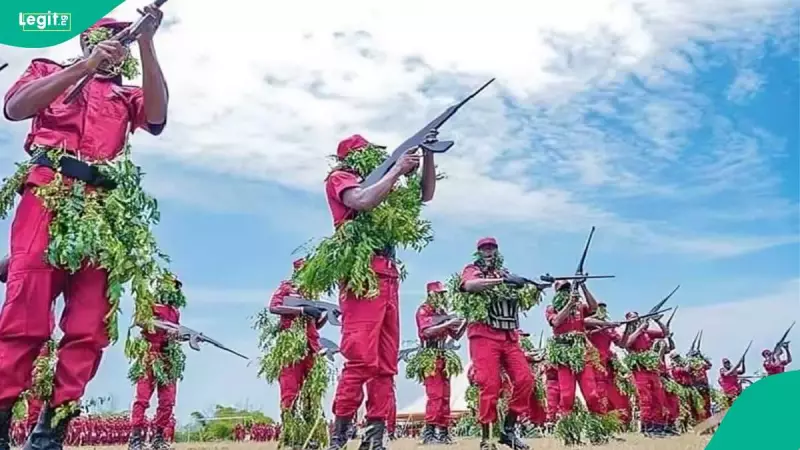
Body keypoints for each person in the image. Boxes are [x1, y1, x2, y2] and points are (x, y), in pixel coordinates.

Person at [0, 7, 168, 450]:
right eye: (102, 38)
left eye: (121, 42)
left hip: (103, 211)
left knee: (90, 326)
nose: (113, 46)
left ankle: (51, 431)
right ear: (84, 41)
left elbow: (156, 118)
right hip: (47, 196)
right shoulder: (47, 70)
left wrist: (148, 41)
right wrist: (85, 67)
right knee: (26, 316)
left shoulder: (126, 95)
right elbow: (16, 108)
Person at [301, 133, 436, 450]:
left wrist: (428, 155)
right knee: (360, 358)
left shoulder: (384, 182)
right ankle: (341, 434)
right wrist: (396, 171)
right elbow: (360, 201)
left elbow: (425, 195)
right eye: (366, 153)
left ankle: (374, 438)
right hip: (363, 276)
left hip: (389, 275)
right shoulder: (341, 178)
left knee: (386, 363)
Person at [459, 237, 540, 450]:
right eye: (484, 248)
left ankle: (509, 429)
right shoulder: (472, 269)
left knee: (525, 380)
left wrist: (535, 287)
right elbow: (469, 285)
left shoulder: (505, 272)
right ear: (478, 252)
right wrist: (502, 282)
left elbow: (523, 302)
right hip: (484, 335)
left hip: (509, 336)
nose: (489, 252)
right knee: (489, 385)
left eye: (492, 248)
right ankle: (487, 437)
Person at [269, 258, 328, 449]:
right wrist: (301, 310)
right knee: (290, 392)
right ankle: (292, 435)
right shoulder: (287, 287)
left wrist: (324, 314)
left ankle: (310, 436)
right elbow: (274, 307)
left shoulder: (312, 293)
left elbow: (315, 325)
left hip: (311, 347)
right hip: (291, 348)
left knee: (312, 393)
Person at [129, 275, 185, 450]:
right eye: (170, 286)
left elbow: (175, 332)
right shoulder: (149, 304)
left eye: (175, 286)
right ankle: (136, 438)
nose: (173, 289)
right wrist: (164, 327)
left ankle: (158, 437)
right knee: (143, 398)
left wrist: (180, 335)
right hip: (149, 354)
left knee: (168, 401)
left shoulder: (175, 311)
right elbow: (140, 321)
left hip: (168, 356)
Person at [545, 280, 606, 417]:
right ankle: (567, 426)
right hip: (563, 353)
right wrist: (569, 304)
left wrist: (583, 286)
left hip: (581, 353)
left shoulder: (580, 307)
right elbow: (556, 322)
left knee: (592, 394)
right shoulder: (551, 308)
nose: (565, 292)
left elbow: (595, 309)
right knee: (567, 396)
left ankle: (598, 423)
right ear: (556, 293)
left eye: (568, 289)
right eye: (562, 290)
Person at [414, 281, 465, 445]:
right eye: (439, 294)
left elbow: (455, 335)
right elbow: (426, 331)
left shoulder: (442, 312)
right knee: (435, 395)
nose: (442, 297)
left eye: (443, 294)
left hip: (443, 355)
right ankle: (429, 432)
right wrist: (448, 323)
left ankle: (443, 431)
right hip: (430, 356)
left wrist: (467, 320)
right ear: (430, 294)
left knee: (445, 396)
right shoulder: (424, 310)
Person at [620, 311, 670, 436]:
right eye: (631, 319)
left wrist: (657, 321)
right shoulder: (628, 334)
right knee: (645, 398)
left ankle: (658, 427)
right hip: (639, 371)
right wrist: (640, 329)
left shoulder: (647, 333)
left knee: (658, 397)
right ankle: (646, 427)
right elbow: (626, 344)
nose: (635, 321)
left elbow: (665, 333)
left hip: (652, 369)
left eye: (636, 318)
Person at [583, 302, 631, 425]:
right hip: (591, 362)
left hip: (605, 365)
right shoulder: (588, 324)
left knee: (612, 393)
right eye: (600, 309)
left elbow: (622, 344)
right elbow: (585, 321)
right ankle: (598, 422)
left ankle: (614, 422)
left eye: (604, 309)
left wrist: (628, 328)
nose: (602, 311)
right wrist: (606, 324)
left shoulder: (610, 329)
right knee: (595, 394)